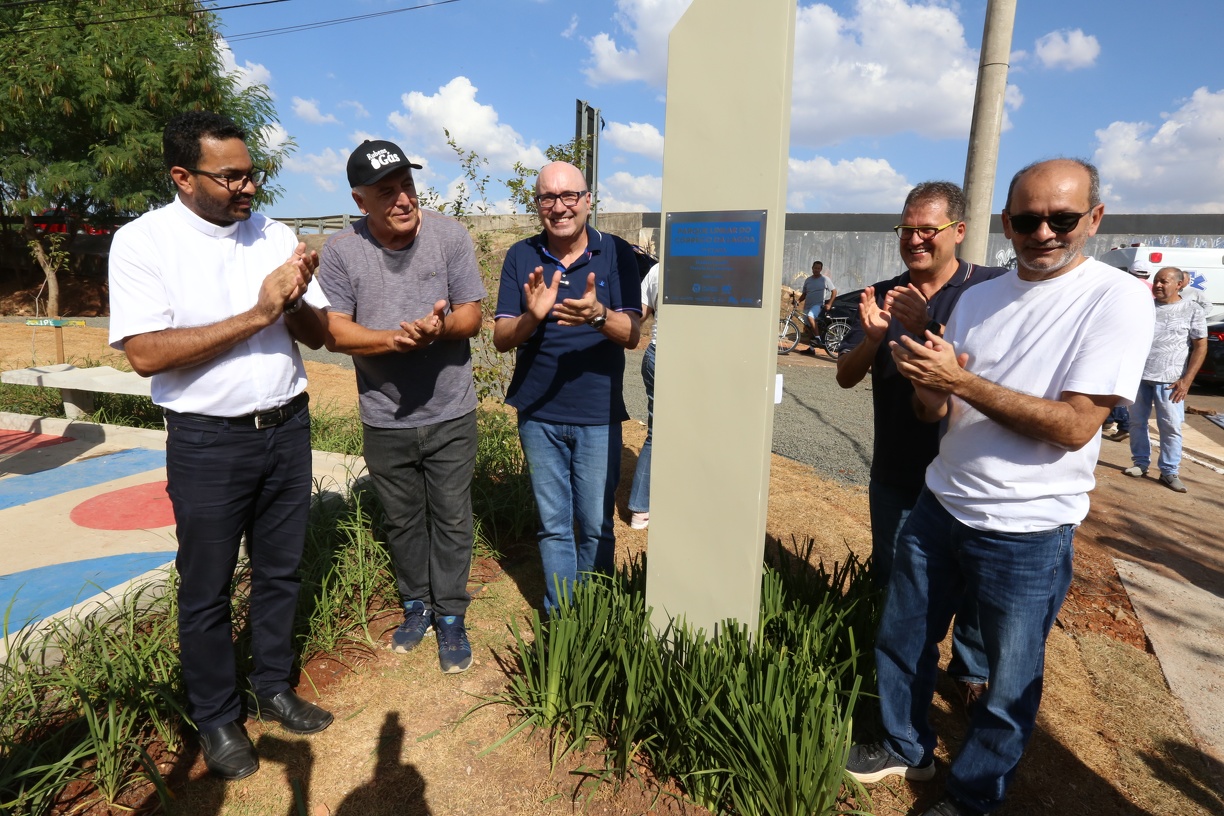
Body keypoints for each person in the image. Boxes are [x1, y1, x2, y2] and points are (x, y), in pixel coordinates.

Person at [845, 159, 1153, 816]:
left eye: (1062, 218)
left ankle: (973, 796)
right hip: (941, 501)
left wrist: (958, 383)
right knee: (902, 637)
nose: (1043, 231)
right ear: (1005, 223)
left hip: (1027, 528)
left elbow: (1074, 426)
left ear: (1093, 220)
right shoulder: (979, 299)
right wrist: (928, 384)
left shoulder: (1115, 298)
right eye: (1027, 219)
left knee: (1008, 685)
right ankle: (906, 745)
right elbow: (939, 412)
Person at [108, 111, 334, 781]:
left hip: (287, 425)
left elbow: (316, 336)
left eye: (251, 172)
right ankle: (216, 716)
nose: (248, 187)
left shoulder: (276, 234)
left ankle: (272, 684)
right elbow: (146, 354)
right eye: (231, 176)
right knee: (205, 589)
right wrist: (259, 314)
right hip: (209, 442)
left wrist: (295, 302)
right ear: (183, 176)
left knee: (281, 570)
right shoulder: (144, 242)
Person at [836, 181, 1006, 710]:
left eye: (926, 230)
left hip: (974, 474)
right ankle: (904, 668)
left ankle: (972, 665)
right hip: (898, 470)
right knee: (898, 577)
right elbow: (844, 377)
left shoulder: (989, 293)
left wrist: (923, 325)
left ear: (958, 231)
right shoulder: (881, 293)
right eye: (906, 230)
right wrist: (871, 338)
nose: (914, 240)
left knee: (976, 583)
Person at [318, 140, 486, 673]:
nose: (402, 199)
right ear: (359, 200)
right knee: (404, 519)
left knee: (454, 517)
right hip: (385, 416)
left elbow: (473, 316)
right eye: (386, 191)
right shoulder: (343, 252)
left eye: (407, 186)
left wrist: (440, 329)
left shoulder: (448, 235)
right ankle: (416, 608)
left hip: (451, 410)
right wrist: (393, 341)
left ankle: (451, 616)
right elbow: (334, 332)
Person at [493, 161, 641, 613]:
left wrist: (598, 315)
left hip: (597, 413)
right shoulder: (521, 255)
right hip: (537, 414)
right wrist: (532, 317)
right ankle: (563, 618)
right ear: (537, 204)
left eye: (569, 196)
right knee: (554, 524)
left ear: (588, 200)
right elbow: (501, 338)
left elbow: (633, 334)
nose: (559, 207)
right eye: (548, 198)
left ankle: (595, 616)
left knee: (596, 524)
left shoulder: (616, 253)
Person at [1123, 266, 1208, 493]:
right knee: (1136, 423)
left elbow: (1200, 345)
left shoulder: (1192, 310)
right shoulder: (1146, 307)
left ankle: (1169, 471)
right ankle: (1140, 463)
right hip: (1140, 377)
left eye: (1164, 281)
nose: (1158, 285)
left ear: (1179, 284)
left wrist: (1187, 380)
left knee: (1170, 426)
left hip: (1171, 381)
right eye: (1157, 281)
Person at [628, 262, 659, 530]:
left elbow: (638, 314)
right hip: (682, 357)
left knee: (657, 433)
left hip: (655, 355)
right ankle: (641, 506)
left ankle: (642, 508)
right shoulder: (718, 268)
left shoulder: (659, 269)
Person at [799, 260, 837, 344]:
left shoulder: (825, 279)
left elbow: (834, 292)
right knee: (808, 327)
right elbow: (804, 294)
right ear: (812, 268)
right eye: (815, 268)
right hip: (807, 306)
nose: (816, 270)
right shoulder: (808, 280)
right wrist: (798, 301)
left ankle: (818, 338)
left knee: (810, 316)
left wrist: (829, 304)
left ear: (821, 269)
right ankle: (811, 348)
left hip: (818, 305)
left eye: (818, 268)